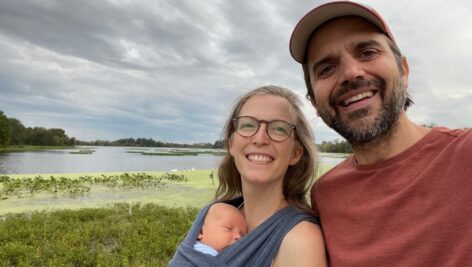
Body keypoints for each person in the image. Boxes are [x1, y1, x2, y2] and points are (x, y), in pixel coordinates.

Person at [289, 1, 472, 266]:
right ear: (315, 103)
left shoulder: (465, 155)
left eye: (367, 52)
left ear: (404, 70)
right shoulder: (326, 195)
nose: (351, 73)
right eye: (327, 68)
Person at [169, 85, 327, 266]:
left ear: (295, 153)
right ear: (231, 145)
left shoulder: (300, 240)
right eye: (248, 125)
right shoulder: (214, 213)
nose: (260, 139)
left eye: (278, 129)